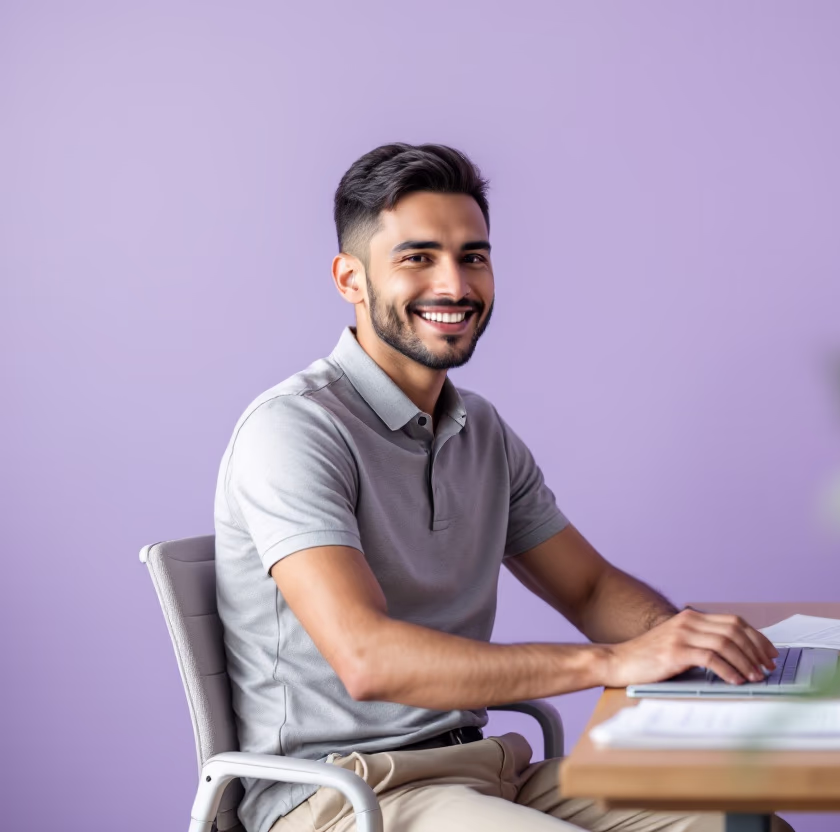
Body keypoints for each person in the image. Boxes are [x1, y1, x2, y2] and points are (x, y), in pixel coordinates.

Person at [215, 143, 790, 832]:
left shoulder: (477, 427)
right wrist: (613, 661)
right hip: (345, 797)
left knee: (741, 824)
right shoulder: (294, 430)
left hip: (487, 772)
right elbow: (367, 657)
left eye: (473, 256)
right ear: (351, 279)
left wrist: (690, 648)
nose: (455, 285)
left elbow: (587, 589)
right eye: (417, 258)